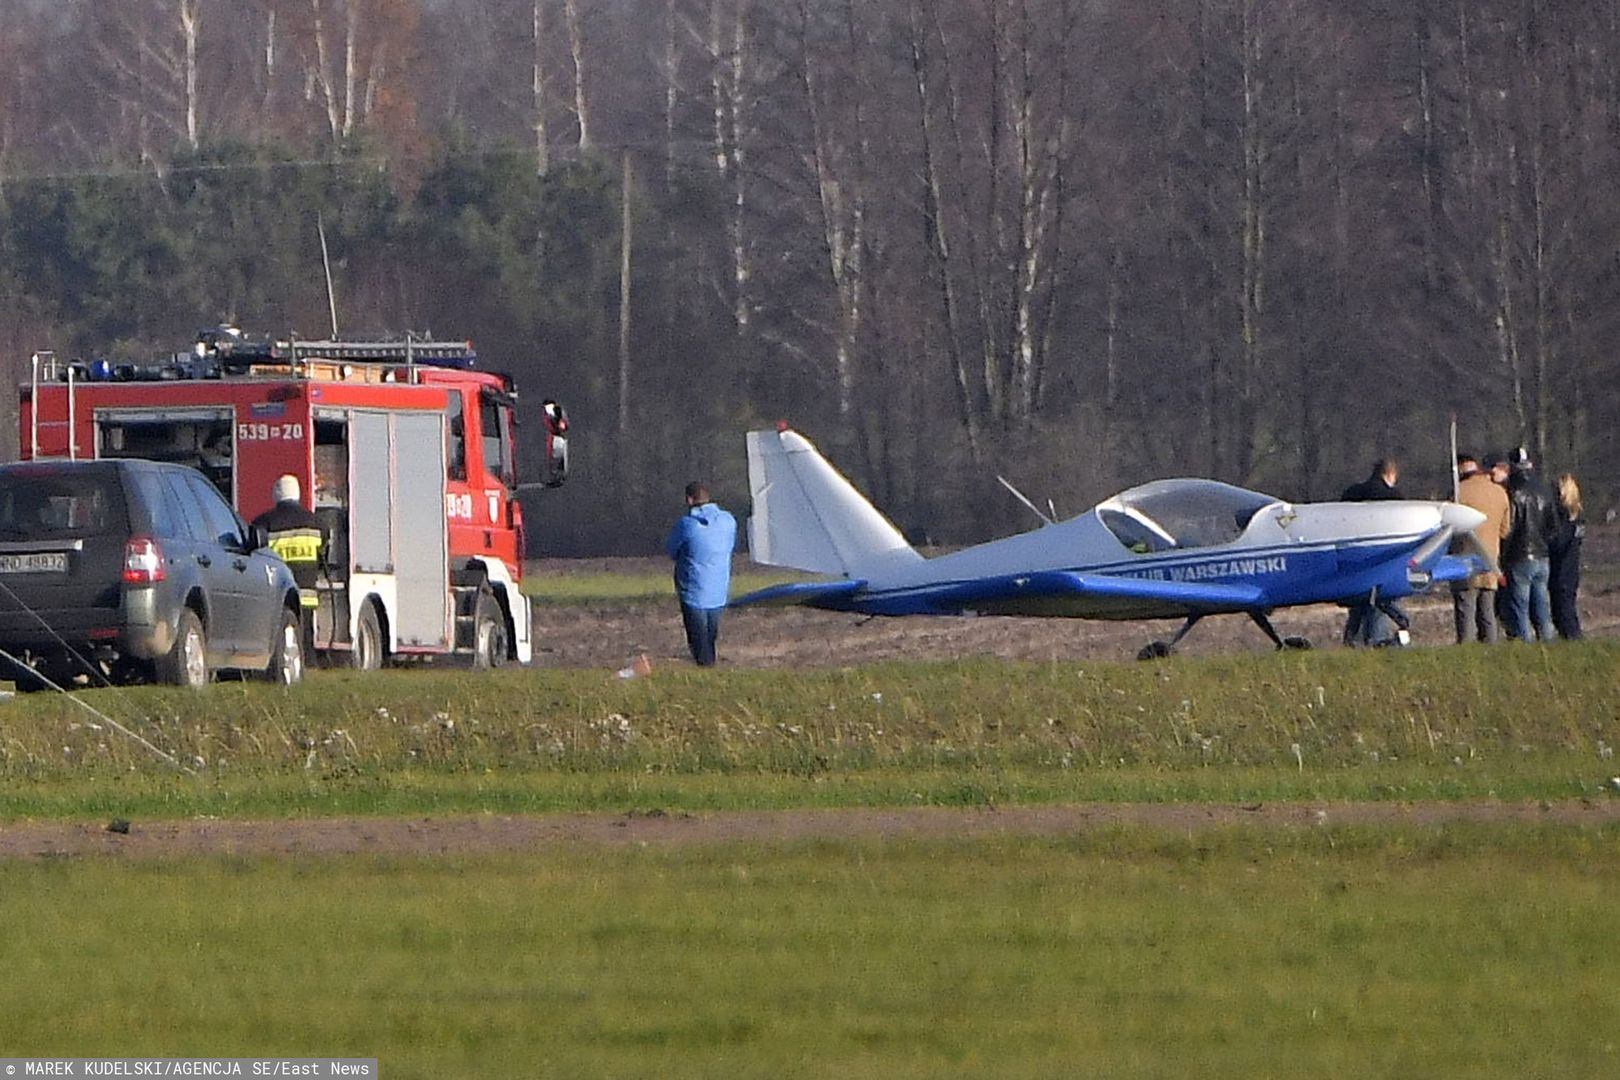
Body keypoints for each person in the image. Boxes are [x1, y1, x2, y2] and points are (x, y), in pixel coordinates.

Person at [1340, 458, 1411, 647]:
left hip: (1353, 559)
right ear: (1391, 475)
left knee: (1357, 604)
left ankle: (1350, 641)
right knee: (1380, 601)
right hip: (1381, 558)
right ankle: (1375, 641)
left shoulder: (1351, 493)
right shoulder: (1393, 496)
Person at [665, 482, 737, 666]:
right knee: (710, 636)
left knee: (698, 639)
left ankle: (705, 670)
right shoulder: (728, 521)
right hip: (719, 588)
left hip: (693, 590)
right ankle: (709, 665)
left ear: (689, 499)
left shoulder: (687, 525)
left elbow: (672, 551)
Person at [251, 474, 327, 648]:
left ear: (276, 494)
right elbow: (323, 547)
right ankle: (308, 664)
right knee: (305, 638)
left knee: (279, 640)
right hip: (307, 594)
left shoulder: (264, 522)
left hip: (276, 593)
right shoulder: (316, 523)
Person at [1450, 453, 1511, 644]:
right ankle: (1491, 647)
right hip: (1490, 559)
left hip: (1464, 559)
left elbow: (1449, 526)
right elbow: (1505, 530)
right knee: (1487, 610)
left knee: (1465, 608)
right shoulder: (1499, 492)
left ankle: (1466, 649)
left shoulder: (1459, 492)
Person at [1500, 447, 1559, 642]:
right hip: (1542, 555)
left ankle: (1525, 644)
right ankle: (1548, 641)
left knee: (1520, 607)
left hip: (1519, 555)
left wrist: (1503, 554)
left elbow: (1510, 526)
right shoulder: (1544, 489)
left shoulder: (1511, 491)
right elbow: (1553, 526)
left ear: (1511, 465)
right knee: (1542, 604)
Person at [1548, 473, 1585, 640]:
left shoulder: (1564, 517)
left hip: (1562, 568)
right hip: (1571, 568)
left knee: (1564, 609)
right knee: (1565, 606)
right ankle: (1570, 637)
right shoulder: (1578, 516)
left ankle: (1573, 637)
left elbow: (1559, 542)